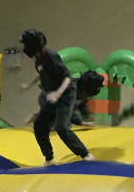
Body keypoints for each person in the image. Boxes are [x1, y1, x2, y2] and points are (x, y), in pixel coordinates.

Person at [20, 29, 95, 166]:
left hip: (66, 94)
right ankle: (49, 159)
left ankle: (86, 154)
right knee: (39, 125)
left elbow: (67, 78)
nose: (24, 48)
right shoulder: (38, 59)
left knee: (61, 127)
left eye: (26, 45)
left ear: (33, 45)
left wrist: (58, 94)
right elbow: (41, 73)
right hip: (53, 95)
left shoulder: (51, 56)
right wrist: (29, 85)